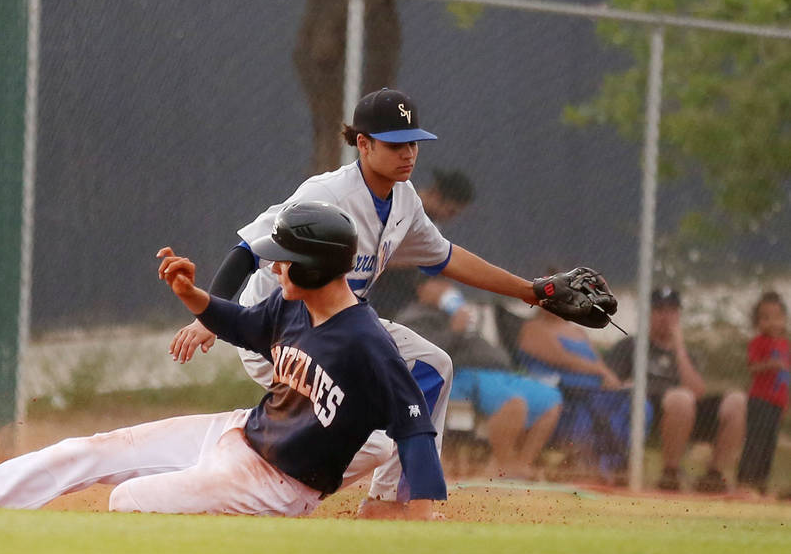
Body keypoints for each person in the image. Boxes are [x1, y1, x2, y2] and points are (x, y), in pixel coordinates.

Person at [0, 202, 446, 519]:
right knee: (89, 450)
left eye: (284, 261)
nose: (275, 269)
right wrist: (193, 296)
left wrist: (420, 524)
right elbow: (246, 326)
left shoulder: (367, 344)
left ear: (318, 267)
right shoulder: (292, 306)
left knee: (129, 500)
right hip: (239, 433)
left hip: (279, 485)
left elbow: (414, 427)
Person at [169, 88, 568, 517]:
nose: (408, 154)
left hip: (341, 331)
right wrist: (210, 316)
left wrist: (532, 292)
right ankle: (233, 468)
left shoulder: (404, 200)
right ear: (363, 143)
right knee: (363, 434)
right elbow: (247, 249)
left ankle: (389, 503)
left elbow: (447, 258)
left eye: (413, 143)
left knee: (432, 366)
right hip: (278, 330)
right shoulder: (326, 194)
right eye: (395, 144)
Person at [395, 276, 562, 479]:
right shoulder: (414, 316)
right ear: (421, 289)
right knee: (513, 403)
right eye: (437, 283)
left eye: (447, 283)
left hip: (500, 373)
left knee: (551, 399)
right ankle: (501, 465)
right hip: (466, 374)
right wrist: (454, 330)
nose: (445, 288)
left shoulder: (455, 312)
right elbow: (420, 356)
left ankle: (520, 465)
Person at [605, 287, 747, 493]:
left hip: (687, 414)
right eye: (659, 310)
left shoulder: (688, 354)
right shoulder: (631, 346)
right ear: (649, 313)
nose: (666, 316)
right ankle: (669, 474)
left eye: (672, 310)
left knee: (736, 401)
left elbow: (697, 391)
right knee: (680, 398)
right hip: (647, 413)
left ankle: (713, 477)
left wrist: (678, 347)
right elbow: (608, 383)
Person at [516, 304, 651, 481]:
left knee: (640, 406)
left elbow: (600, 364)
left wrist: (611, 380)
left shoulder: (578, 332)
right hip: (566, 396)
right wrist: (600, 371)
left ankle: (613, 465)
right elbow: (562, 358)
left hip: (596, 394)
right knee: (586, 416)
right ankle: (586, 467)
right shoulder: (533, 329)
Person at [369, 168, 475, 320]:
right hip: (378, 294)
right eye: (451, 211)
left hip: (404, 297)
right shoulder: (401, 209)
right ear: (436, 196)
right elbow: (374, 256)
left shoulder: (430, 222)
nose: (451, 218)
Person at [736, 291, 790, 495]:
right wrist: (770, 364)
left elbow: (785, 379)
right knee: (756, 441)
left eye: (777, 317)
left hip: (777, 403)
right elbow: (753, 367)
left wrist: (785, 403)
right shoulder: (759, 342)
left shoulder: (785, 345)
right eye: (765, 318)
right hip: (760, 400)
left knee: (769, 443)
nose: (772, 322)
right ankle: (745, 481)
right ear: (757, 322)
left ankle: (760, 483)